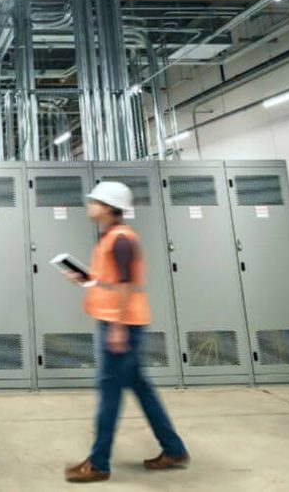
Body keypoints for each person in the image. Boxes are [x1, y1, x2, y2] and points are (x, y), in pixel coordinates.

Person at [64, 181, 190, 483]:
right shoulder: (111, 237)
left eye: (94, 200)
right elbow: (110, 281)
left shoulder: (121, 239)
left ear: (108, 207)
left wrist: (118, 327)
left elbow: (124, 286)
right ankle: (174, 449)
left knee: (109, 392)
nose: (89, 204)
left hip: (121, 325)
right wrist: (87, 280)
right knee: (141, 388)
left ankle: (98, 463)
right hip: (121, 322)